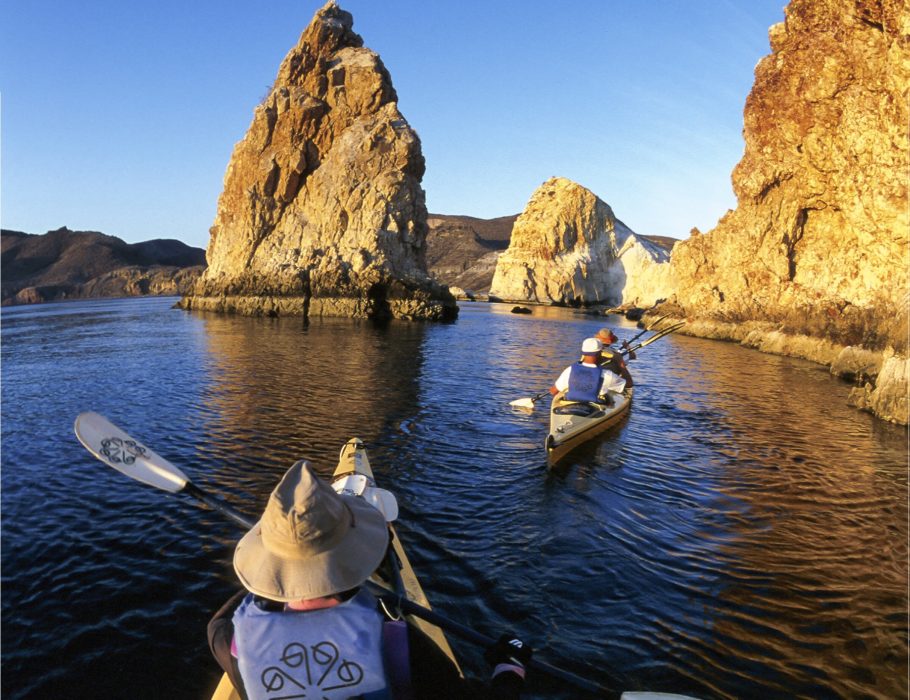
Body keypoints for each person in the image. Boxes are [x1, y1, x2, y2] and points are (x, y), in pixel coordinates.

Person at [208, 460, 531, 700]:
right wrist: (510, 666)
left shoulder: (230, 640)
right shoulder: (401, 644)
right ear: (358, 553)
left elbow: (224, 617)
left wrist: (271, 581)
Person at [552, 337, 626, 403]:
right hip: (595, 408)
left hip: (569, 403)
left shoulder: (570, 370)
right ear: (599, 353)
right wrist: (621, 364)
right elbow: (628, 385)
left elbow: (553, 391)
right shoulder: (607, 374)